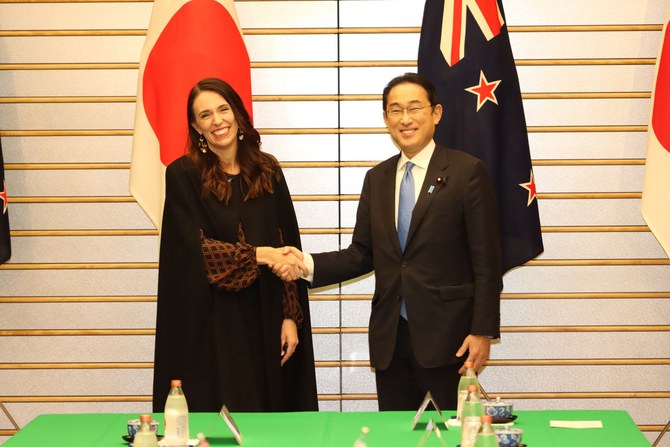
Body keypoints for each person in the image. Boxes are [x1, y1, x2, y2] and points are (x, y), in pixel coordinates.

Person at [275, 73, 502, 411]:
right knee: (395, 436)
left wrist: (482, 330)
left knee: (451, 434)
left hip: (450, 339)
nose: (405, 119)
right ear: (386, 119)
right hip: (390, 340)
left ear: (436, 113)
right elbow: (362, 254)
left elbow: (486, 260)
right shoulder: (377, 179)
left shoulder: (467, 172)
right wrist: (306, 264)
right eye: (395, 110)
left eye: (414, 108)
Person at [152, 77, 318, 413]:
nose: (217, 121)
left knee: (270, 417)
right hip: (211, 323)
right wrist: (260, 254)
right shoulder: (182, 174)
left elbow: (287, 247)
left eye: (223, 109)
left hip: (266, 314)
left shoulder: (268, 170)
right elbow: (195, 252)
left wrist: (290, 317)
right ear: (196, 127)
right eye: (205, 115)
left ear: (238, 114)